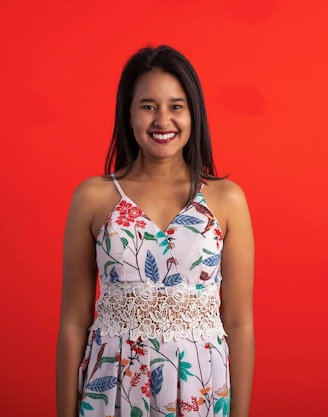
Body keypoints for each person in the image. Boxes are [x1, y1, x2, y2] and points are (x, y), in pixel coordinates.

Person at [56, 45, 255, 417]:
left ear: (194, 114)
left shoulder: (227, 200)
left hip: (202, 392)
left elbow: (240, 323)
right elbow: (74, 321)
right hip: (112, 389)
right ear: (128, 115)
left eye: (176, 106)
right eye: (148, 106)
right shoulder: (93, 197)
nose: (162, 119)